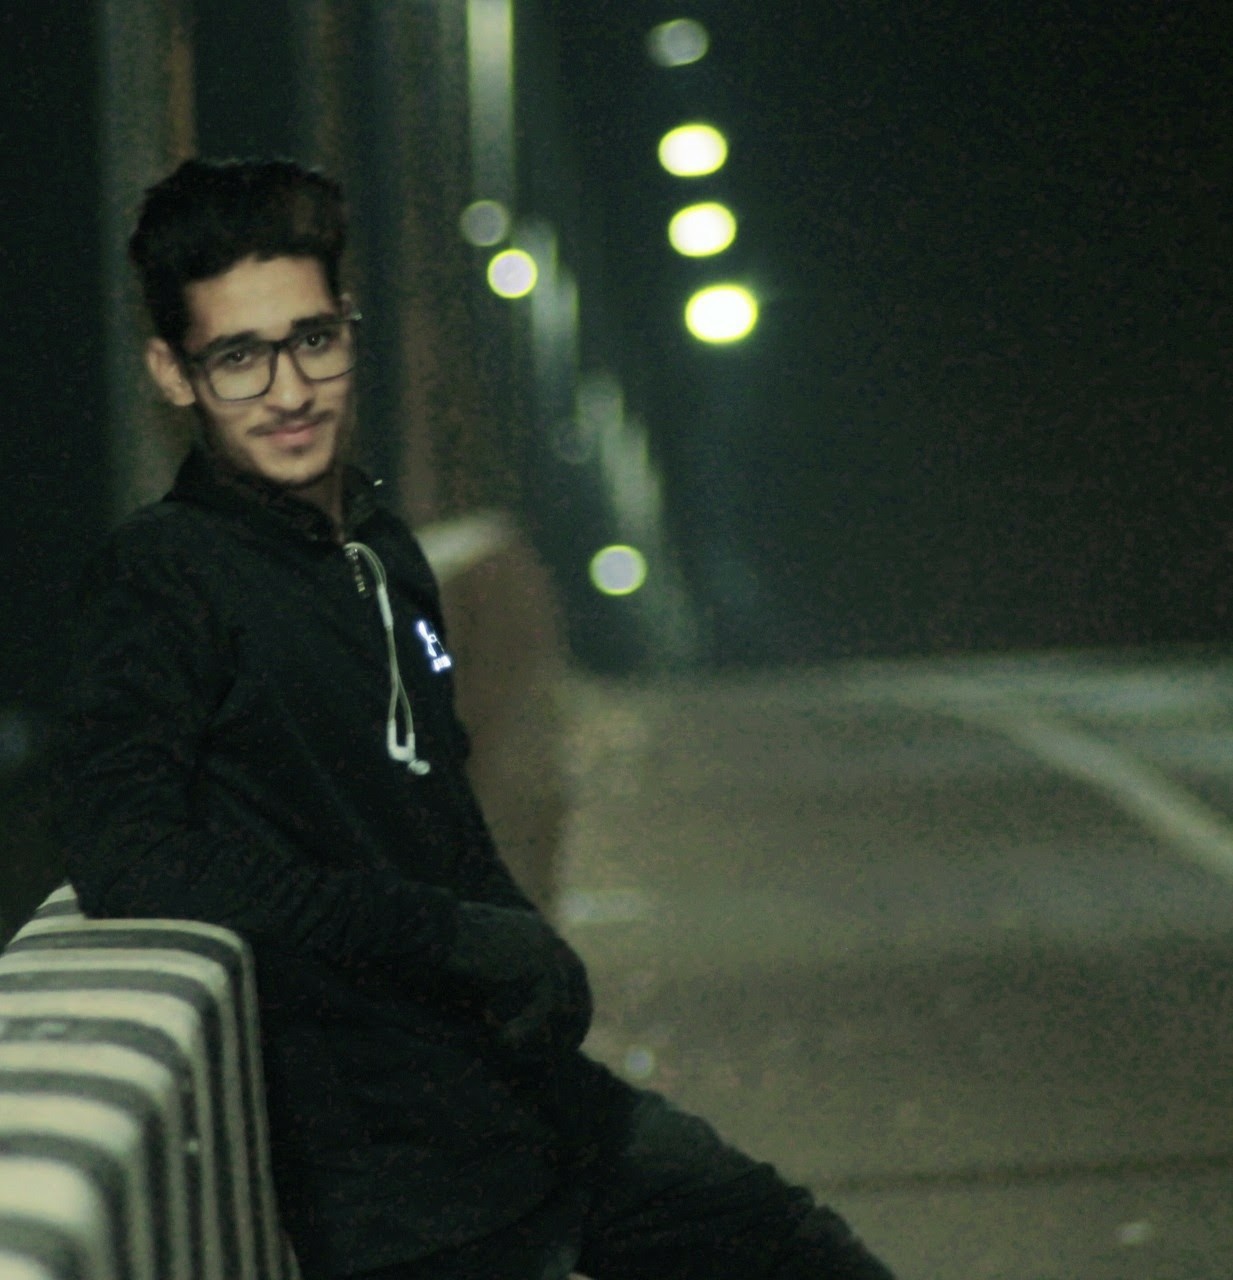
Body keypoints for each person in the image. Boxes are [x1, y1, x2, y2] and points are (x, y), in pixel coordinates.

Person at [52, 157, 897, 1280]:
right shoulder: (164, 576)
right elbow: (127, 850)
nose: (291, 390)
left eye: (313, 340)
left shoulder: (379, 549)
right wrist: (438, 933)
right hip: (393, 1179)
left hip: (523, 1105)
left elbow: (431, 798)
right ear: (175, 372)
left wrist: (516, 933)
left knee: (796, 1247)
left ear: (348, 330)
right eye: (240, 357)